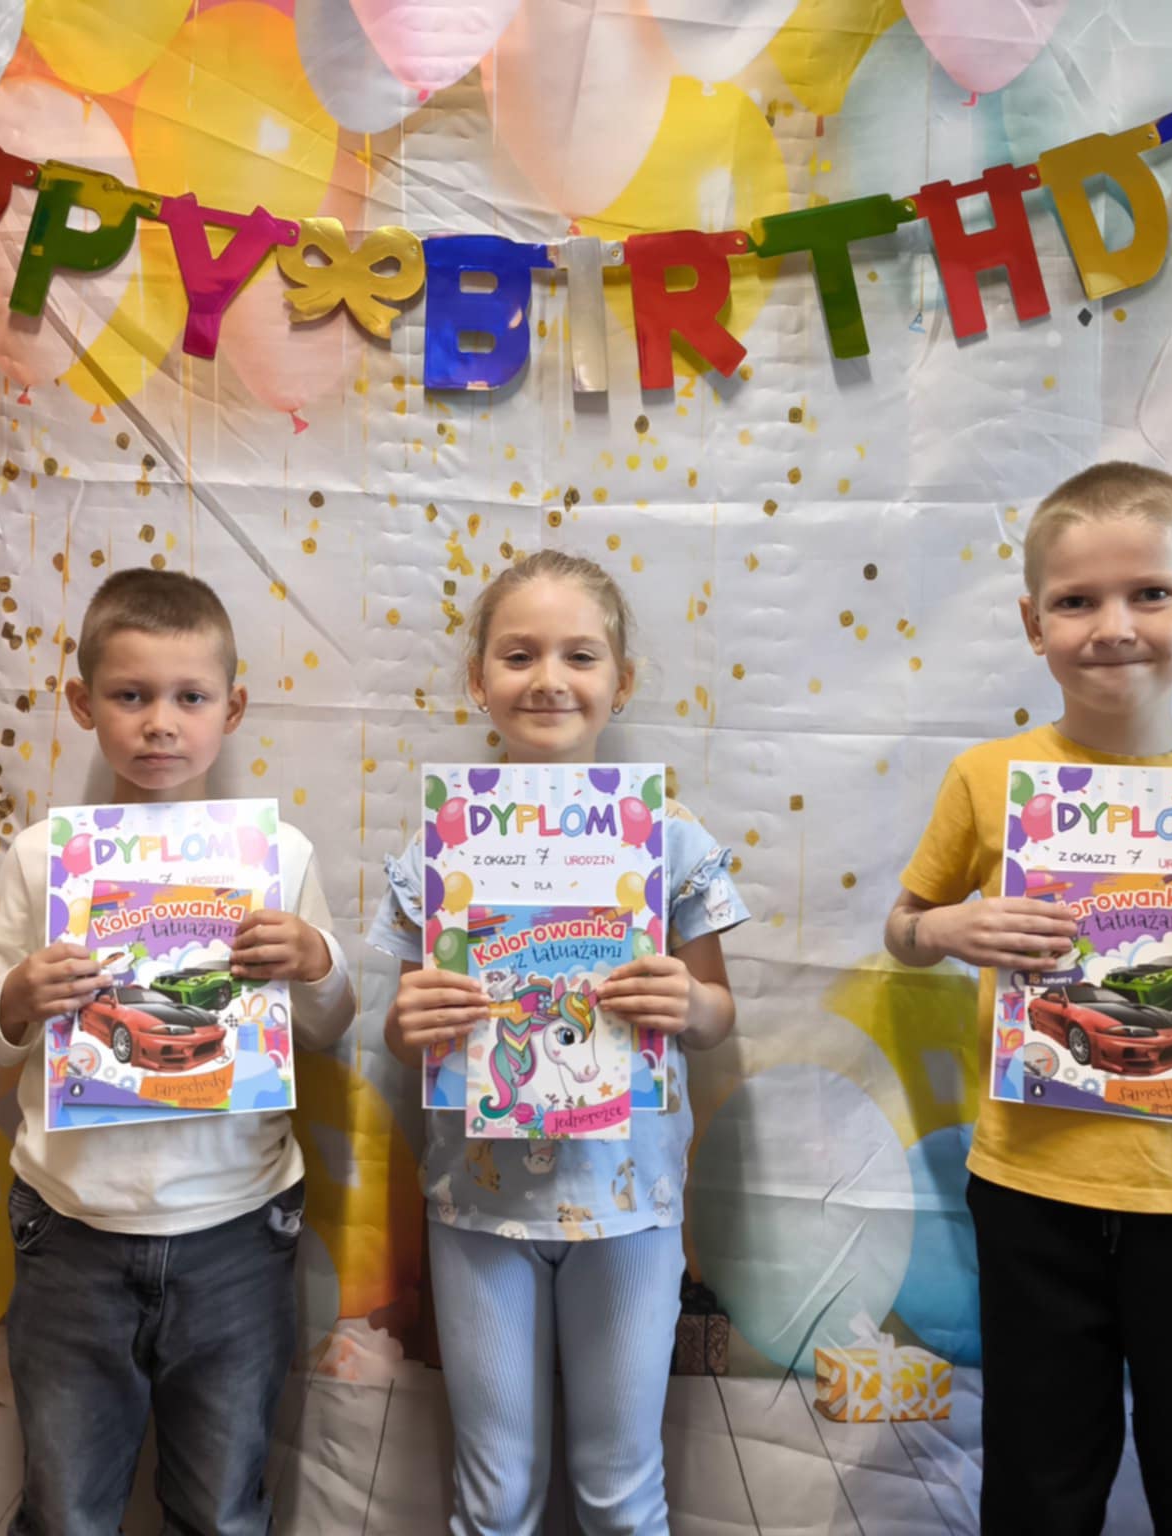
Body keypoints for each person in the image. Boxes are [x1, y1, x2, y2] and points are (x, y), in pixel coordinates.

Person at [883, 462, 1172, 1536]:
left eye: (1149, 593)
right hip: (1034, 1187)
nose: (1113, 627)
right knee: (1039, 1489)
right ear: (1031, 623)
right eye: (1075, 601)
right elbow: (903, 930)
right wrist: (943, 931)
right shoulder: (987, 779)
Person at [0, 569, 355, 1536]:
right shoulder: (42, 856)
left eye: (190, 698)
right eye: (131, 696)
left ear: (233, 709)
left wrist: (315, 961)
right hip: (71, 1229)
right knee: (65, 1510)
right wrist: (17, 997)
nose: (159, 724)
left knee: (221, 1509)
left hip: (237, 1228)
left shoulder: (279, 857)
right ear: (82, 703)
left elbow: (328, 1024)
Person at [367, 549, 750, 1535]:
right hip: (478, 1206)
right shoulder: (440, 844)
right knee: (494, 1495)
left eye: (579, 655)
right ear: (477, 680)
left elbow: (718, 1012)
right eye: (518, 654)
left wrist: (688, 1001)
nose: (548, 679)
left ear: (621, 681)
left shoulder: (667, 836)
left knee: (619, 1492)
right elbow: (408, 1032)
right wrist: (407, 1024)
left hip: (628, 1205)